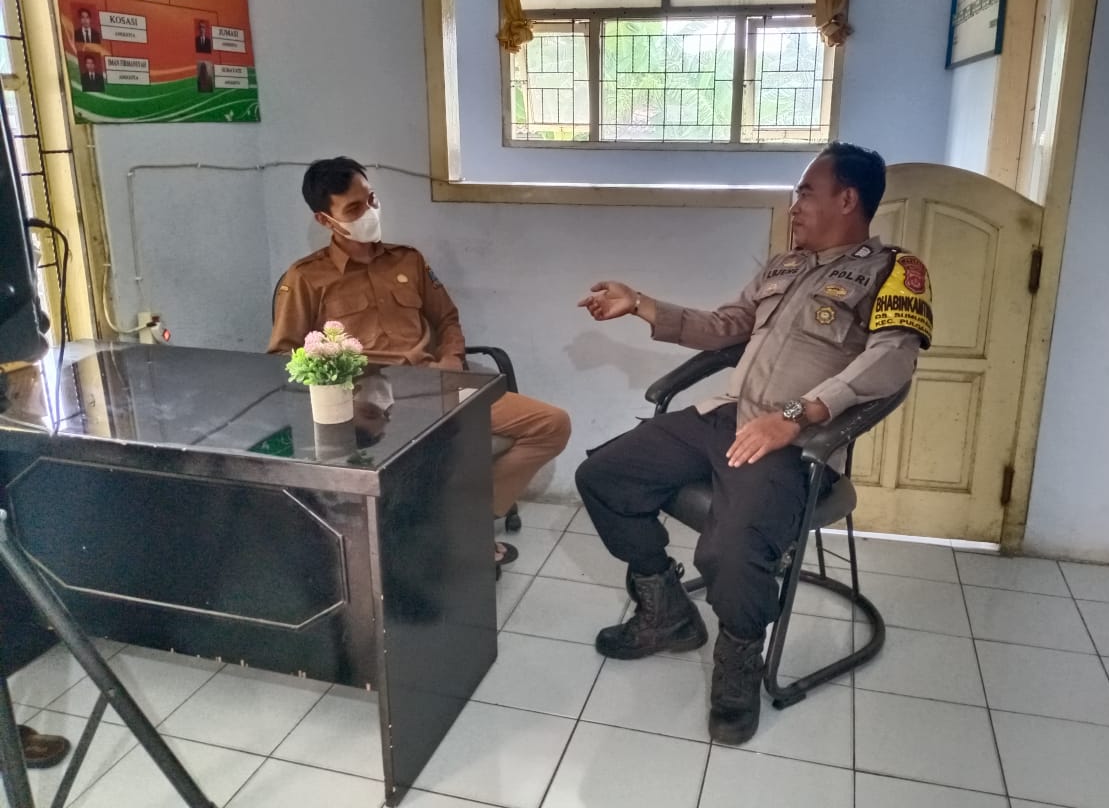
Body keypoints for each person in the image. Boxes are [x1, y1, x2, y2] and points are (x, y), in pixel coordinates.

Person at [575, 142, 932, 745]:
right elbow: (725, 327)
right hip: (726, 416)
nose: (795, 205)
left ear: (848, 199)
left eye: (806, 192)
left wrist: (797, 415)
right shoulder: (783, 267)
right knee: (604, 475)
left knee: (733, 546)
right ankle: (667, 612)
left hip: (797, 442)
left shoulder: (893, 271)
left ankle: (739, 658)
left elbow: (892, 361)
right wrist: (641, 304)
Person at [269, 157, 571, 571]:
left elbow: (447, 319)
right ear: (325, 220)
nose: (369, 211)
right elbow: (283, 358)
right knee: (427, 461)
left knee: (551, 425)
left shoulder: (407, 260)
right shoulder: (305, 278)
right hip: (367, 405)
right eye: (354, 208)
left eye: (370, 199)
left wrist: (450, 359)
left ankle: (468, 523)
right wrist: (349, 381)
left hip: (437, 386)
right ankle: (428, 543)